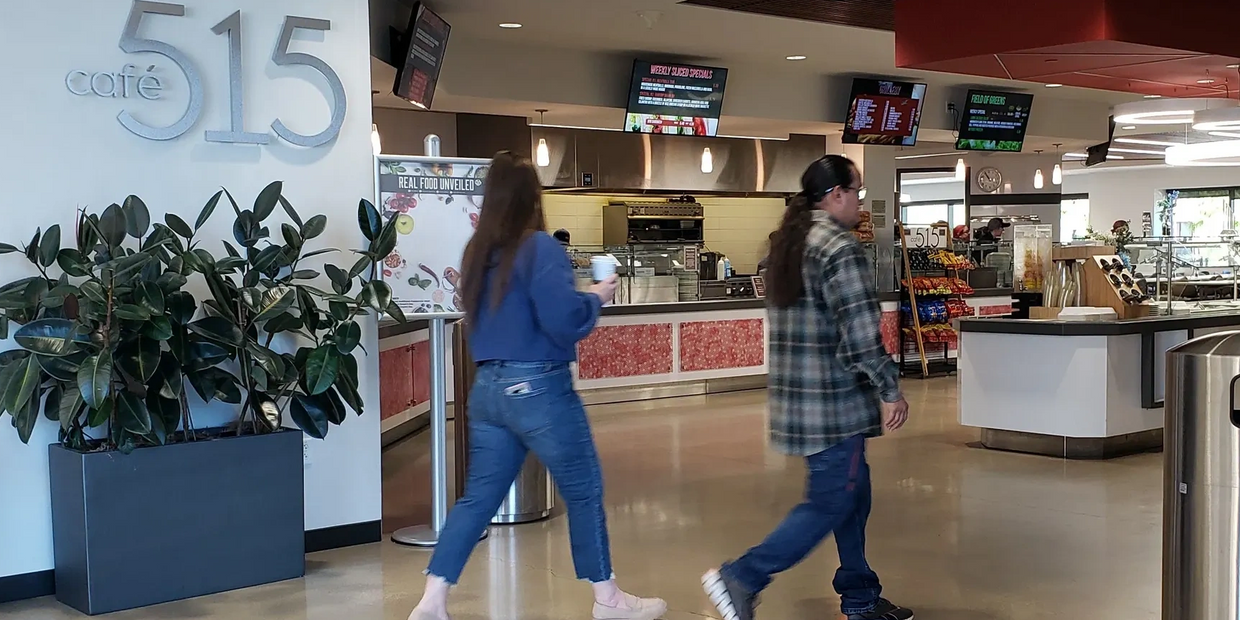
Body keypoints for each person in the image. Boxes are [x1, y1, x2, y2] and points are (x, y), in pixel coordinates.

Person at [408, 152, 667, 620]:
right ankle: (608, 601)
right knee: (583, 486)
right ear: (532, 198)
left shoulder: (475, 253)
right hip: (540, 388)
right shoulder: (540, 248)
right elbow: (562, 320)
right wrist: (595, 297)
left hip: (487, 389)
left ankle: (433, 598)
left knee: (477, 497)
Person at [700, 155, 913, 620]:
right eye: (855, 191)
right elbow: (860, 334)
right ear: (835, 194)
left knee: (854, 497)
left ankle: (860, 597)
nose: (859, 200)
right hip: (834, 407)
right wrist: (889, 388)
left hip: (799, 403)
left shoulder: (789, 245)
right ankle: (743, 576)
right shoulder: (838, 248)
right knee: (829, 502)